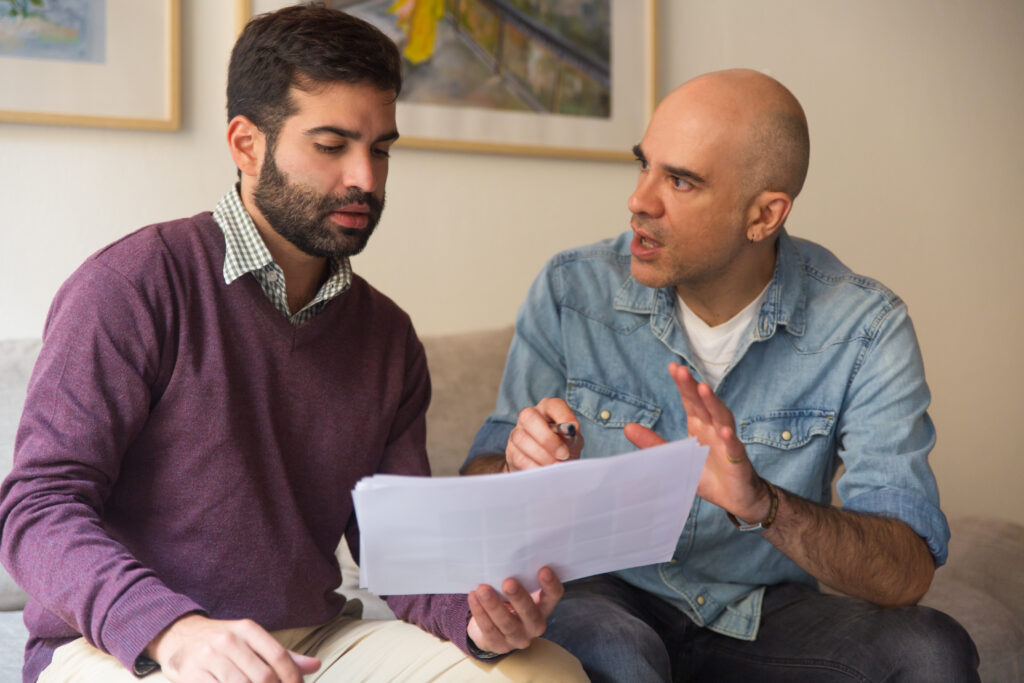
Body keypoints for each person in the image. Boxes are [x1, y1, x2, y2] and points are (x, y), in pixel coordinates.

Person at [0, 5, 585, 682]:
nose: (366, 177)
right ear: (246, 144)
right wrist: (173, 629)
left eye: (382, 147)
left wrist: (480, 622)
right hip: (127, 644)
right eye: (332, 146)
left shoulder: (389, 337)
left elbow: (400, 551)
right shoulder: (131, 284)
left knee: (545, 671)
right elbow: (36, 509)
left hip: (314, 639)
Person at [462, 68, 980, 682]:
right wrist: (517, 467)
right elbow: (479, 486)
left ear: (764, 215)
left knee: (931, 651)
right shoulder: (573, 290)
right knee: (619, 654)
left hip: (761, 610)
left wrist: (762, 506)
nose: (640, 200)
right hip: (602, 595)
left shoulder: (865, 328)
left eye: (680, 181)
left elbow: (906, 573)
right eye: (644, 165)